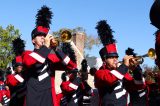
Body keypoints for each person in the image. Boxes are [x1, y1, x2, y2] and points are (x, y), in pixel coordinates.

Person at [22, 6, 77, 106]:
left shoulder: (51, 57)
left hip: (49, 100)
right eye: (39, 35)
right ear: (33, 40)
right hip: (33, 100)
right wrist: (47, 47)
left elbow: (72, 66)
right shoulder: (27, 54)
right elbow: (32, 60)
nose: (43, 37)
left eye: (45, 35)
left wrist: (57, 49)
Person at [94, 20, 145, 106]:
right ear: (104, 60)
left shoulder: (122, 73)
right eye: (111, 57)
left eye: (116, 57)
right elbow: (110, 79)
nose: (115, 60)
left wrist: (135, 69)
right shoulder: (100, 73)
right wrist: (124, 65)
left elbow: (139, 86)